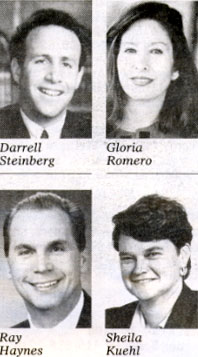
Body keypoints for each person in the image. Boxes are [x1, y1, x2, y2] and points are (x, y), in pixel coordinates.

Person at [107, 2, 198, 138]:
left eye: (156, 51)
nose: (141, 64)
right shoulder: (90, 128)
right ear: (115, 60)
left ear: (176, 67)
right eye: (130, 50)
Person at [105, 194, 198, 328]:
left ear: (183, 256)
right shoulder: (109, 320)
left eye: (152, 254)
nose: (139, 270)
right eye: (128, 258)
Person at [3, 192, 91, 328]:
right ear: (9, 266)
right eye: (26, 252)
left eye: (56, 249)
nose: (42, 267)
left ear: (82, 260)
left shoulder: (108, 322)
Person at [0, 8, 91, 138]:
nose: (54, 77)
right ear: (17, 70)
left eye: (66, 64)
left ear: (79, 76)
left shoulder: (93, 132)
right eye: (41, 61)